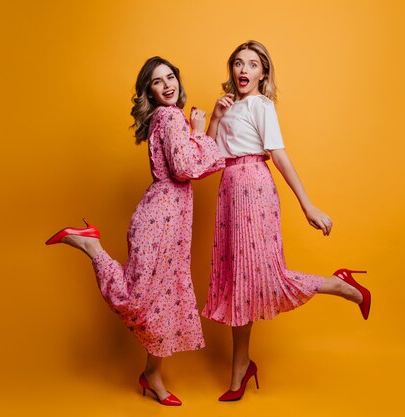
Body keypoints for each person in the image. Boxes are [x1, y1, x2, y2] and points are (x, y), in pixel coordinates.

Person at [46, 56, 225, 406]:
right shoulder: (171, 116)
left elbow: (195, 161)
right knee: (139, 299)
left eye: (170, 77)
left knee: (165, 300)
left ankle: (151, 374)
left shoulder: (169, 118)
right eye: (158, 82)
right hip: (159, 220)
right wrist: (200, 131)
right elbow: (187, 167)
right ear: (150, 91)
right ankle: (91, 245)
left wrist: (207, 125)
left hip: (169, 220)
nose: (168, 85)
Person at [201, 40, 372, 401]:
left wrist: (308, 206)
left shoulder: (262, 106)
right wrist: (215, 118)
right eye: (237, 63)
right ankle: (241, 368)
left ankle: (340, 285)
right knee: (238, 282)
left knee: (264, 277)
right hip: (228, 191)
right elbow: (208, 159)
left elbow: (278, 155)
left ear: (264, 73)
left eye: (252, 64)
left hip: (253, 188)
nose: (243, 70)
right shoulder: (229, 107)